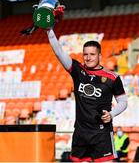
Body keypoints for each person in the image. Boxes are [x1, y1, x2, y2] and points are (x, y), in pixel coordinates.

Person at [46, 29, 128, 162]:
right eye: (85, 54)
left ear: (99, 55)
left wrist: (112, 114)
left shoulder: (112, 78)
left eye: (92, 54)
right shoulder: (78, 71)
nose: (88, 58)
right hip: (81, 133)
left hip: (102, 134)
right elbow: (59, 52)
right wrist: (49, 30)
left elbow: (123, 102)